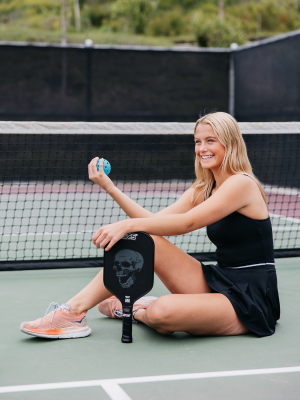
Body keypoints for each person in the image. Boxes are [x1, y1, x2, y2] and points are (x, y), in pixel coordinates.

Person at [20, 112, 280, 339]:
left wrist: (128, 224)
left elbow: (187, 223)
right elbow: (154, 223)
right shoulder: (205, 187)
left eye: (210, 140)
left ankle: (132, 308)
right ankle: (72, 312)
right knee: (145, 240)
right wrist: (110, 188)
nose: (202, 148)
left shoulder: (241, 183)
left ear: (230, 143)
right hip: (220, 279)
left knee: (161, 313)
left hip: (252, 294)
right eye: (198, 142)